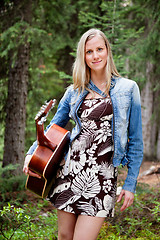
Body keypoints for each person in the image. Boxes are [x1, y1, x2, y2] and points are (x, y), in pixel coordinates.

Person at [23, 28, 143, 240]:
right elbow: (53, 128)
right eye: (89, 51)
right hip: (69, 173)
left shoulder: (128, 88)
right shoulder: (74, 91)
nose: (95, 56)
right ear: (83, 56)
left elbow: (136, 141)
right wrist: (31, 154)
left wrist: (130, 183)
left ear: (107, 51)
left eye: (99, 49)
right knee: (64, 236)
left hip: (103, 177)